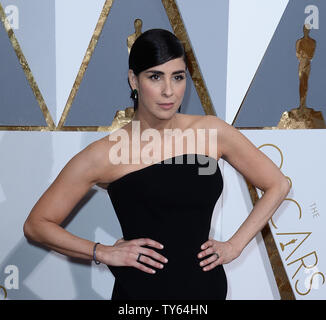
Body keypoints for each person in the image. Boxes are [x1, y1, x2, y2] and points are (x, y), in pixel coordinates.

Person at [23, 28, 290, 300]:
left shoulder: (211, 132)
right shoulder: (104, 153)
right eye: (155, 77)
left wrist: (235, 245)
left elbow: (278, 184)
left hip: (205, 292)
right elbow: (37, 224)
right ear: (133, 80)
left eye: (178, 77)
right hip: (140, 296)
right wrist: (101, 251)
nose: (168, 91)